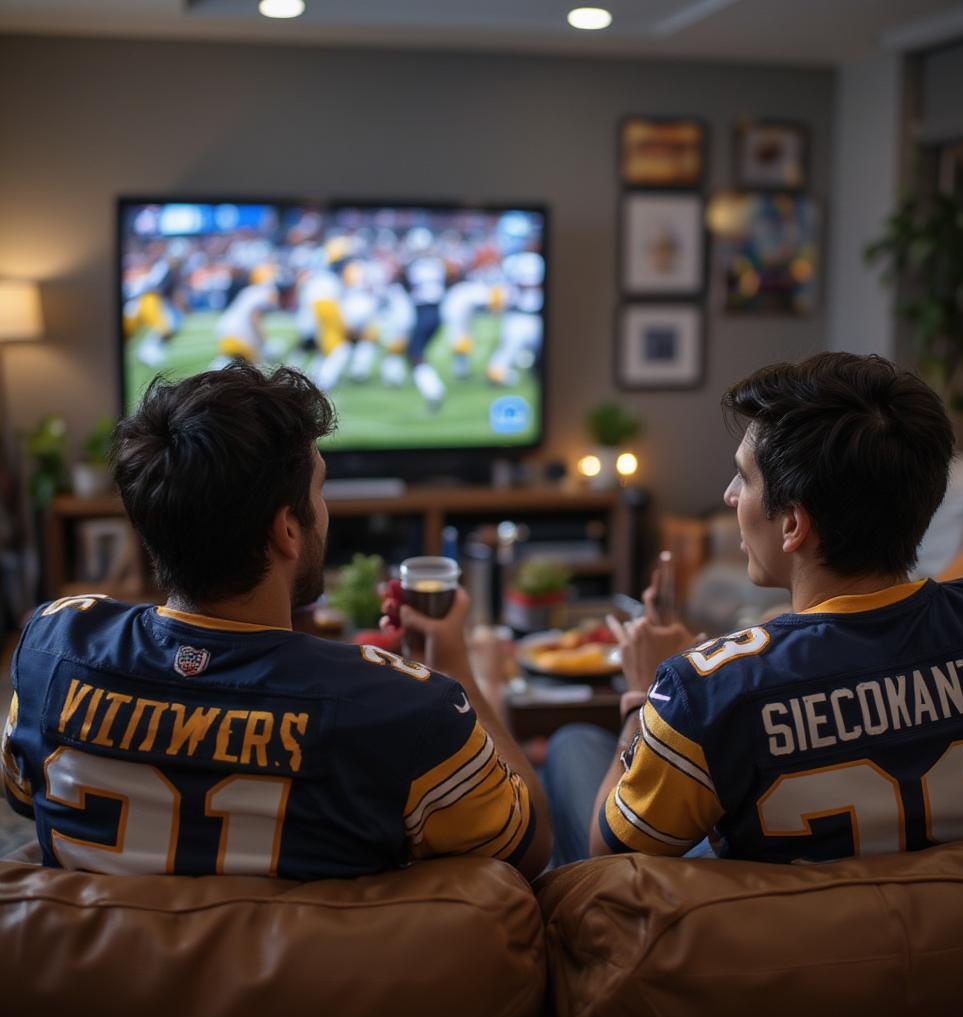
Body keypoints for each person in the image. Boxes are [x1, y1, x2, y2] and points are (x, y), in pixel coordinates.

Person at [1, 364, 551, 881]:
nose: (325, 510)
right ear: (287, 530)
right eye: (320, 489)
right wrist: (465, 672)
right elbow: (526, 845)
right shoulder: (405, 707)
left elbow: (23, 795)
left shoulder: (51, 647)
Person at [546, 352, 963, 866]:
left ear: (793, 525)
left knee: (572, 743)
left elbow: (612, 856)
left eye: (743, 479)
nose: (730, 497)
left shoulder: (703, 691)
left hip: (800, 942)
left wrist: (643, 698)